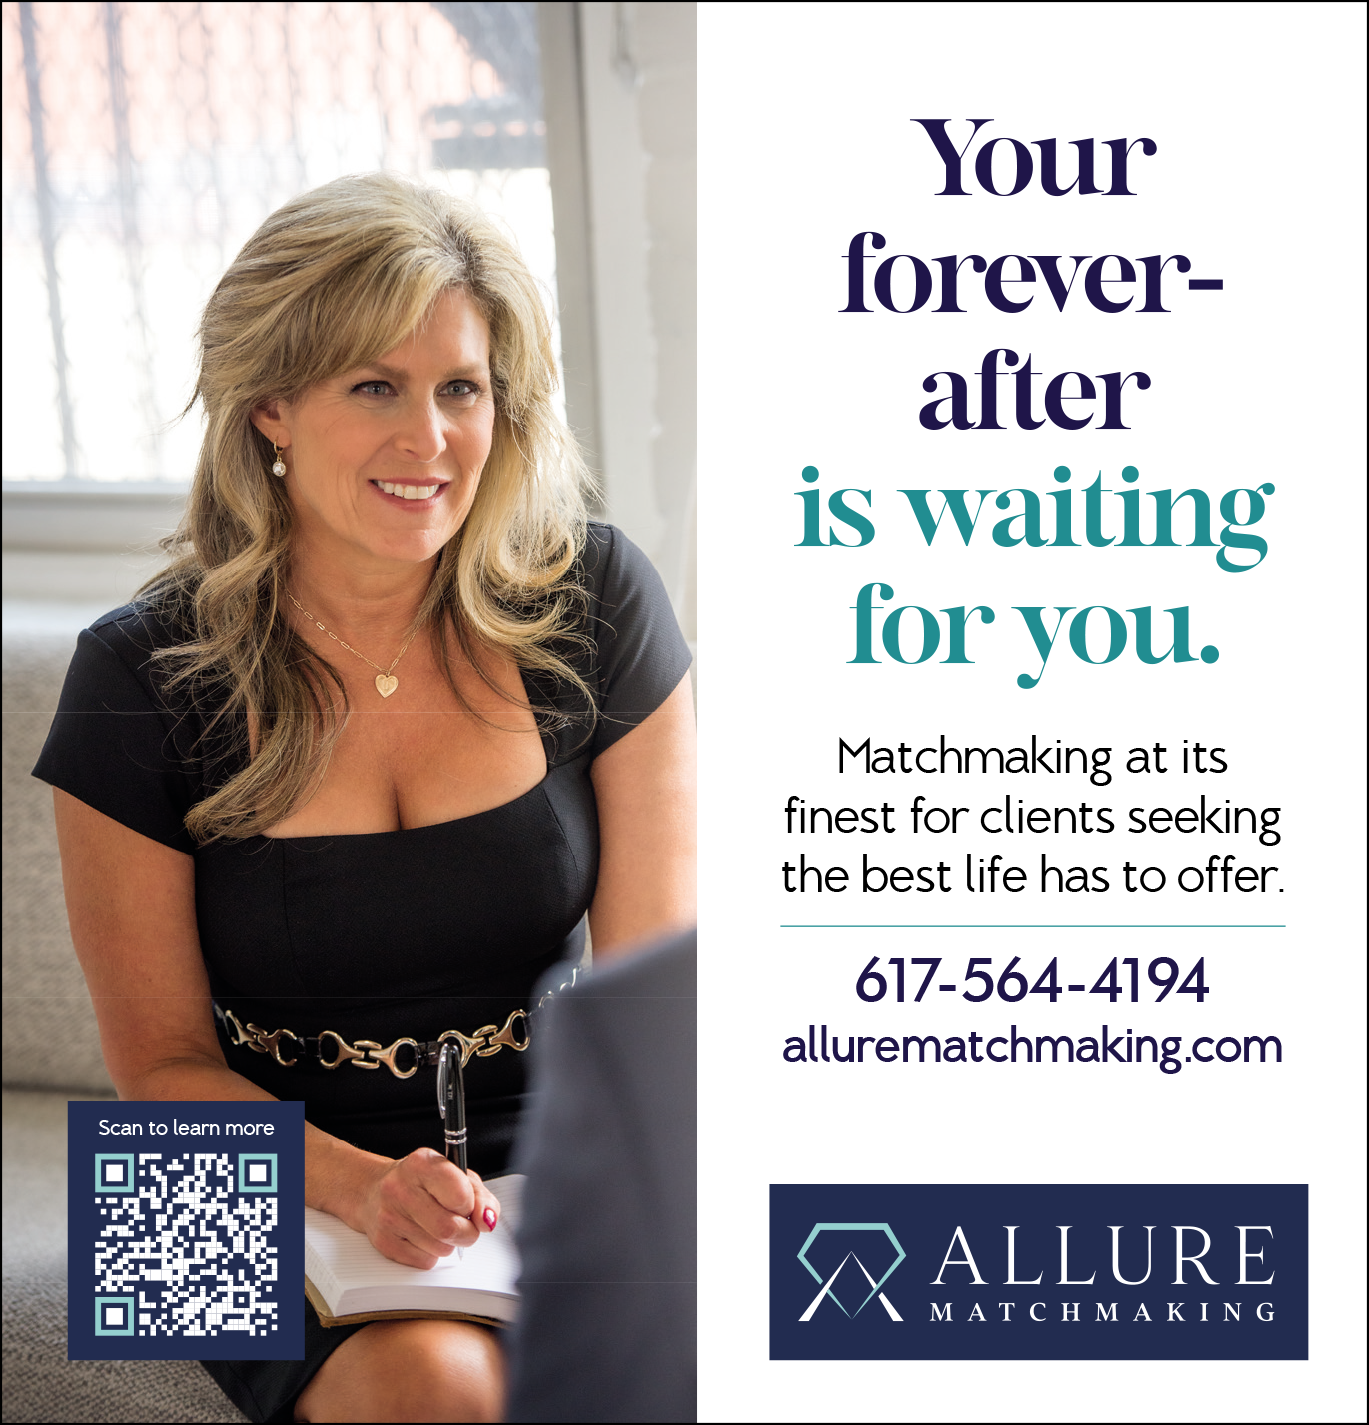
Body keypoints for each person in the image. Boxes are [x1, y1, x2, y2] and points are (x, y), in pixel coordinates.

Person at [34, 172, 695, 1424]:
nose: (429, 440)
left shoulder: (594, 599)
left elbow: (657, 989)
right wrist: (353, 1183)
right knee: (433, 1383)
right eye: (373, 388)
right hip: (226, 1168)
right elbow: (159, 1068)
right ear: (271, 407)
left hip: (551, 1149)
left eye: (461, 388)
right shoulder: (136, 674)